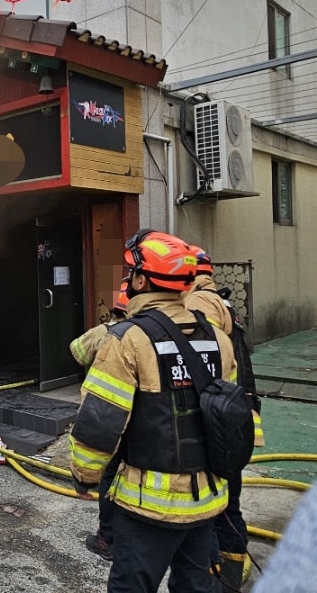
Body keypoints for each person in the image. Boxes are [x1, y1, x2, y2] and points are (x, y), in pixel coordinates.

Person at [69, 230, 237, 593]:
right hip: (207, 502)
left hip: (148, 508)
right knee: (195, 587)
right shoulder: (219, 339)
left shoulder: (128, 339)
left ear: (142, 280)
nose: (128, 280)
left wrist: (84, 476)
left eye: (130, 273)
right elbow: (234, 419)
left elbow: (99, 421)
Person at [185, 247, 263, 589]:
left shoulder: (199, 304)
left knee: (223, 501)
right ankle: (229, 565)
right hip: (236, 413)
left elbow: (204, 361)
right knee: (228, 493)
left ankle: (228, 572)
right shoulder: (219, 300)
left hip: (221, 419)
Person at [70, 280, 129, 561]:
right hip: (146, 428)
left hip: (110, 419)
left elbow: (76, 351)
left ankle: (107, 539)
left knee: (109, 478)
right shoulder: (161, 332)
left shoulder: (108, 332)